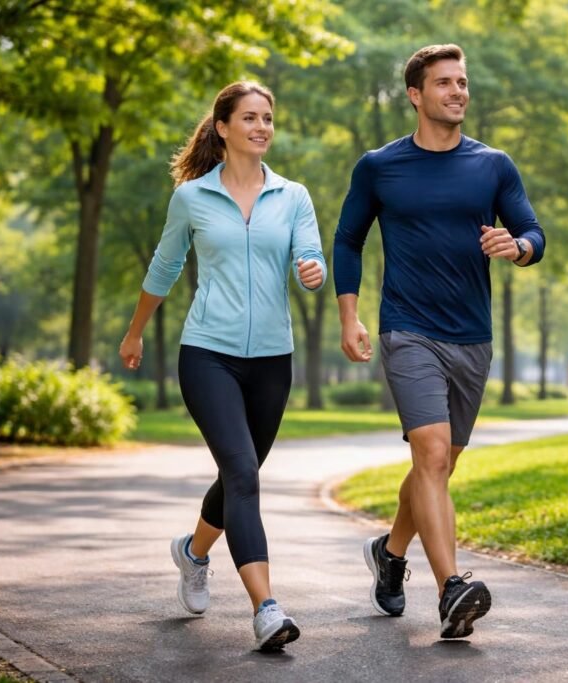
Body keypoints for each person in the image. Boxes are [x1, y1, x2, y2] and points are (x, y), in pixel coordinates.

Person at [333, 44, 546, 640]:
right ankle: (452, 588)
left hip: (472, 336)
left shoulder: (493, 165)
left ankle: (390, 553)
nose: (458, 92)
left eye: (463, 82)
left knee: (441, 465)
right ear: (416, 94)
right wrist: (349, 316)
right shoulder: (379, 166)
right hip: (408, 329)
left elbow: (532, 229)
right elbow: (348, 240)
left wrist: (519, 247)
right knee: (429, 454)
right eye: (445, 83)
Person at [118, 81, 326, 652]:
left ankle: (193, 552)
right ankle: (266, 608)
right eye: (250, 118)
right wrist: (135, 331)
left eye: (268, 118)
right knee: (244, 475)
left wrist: (313, 271)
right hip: (208, 353)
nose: (262, 127)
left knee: (241, 474)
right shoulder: (191, 197)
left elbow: (311, 255)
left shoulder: (294, 195)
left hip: (272, 361)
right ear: (224, 127)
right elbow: (165, 266)